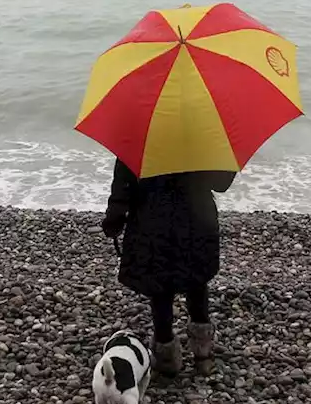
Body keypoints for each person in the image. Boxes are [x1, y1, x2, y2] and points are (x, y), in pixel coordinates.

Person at [100, 157, 235, 376]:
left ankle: (166, 358)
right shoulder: (204, 137)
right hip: (197, 219)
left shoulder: (142, 136)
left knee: (160, 287)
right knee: (197, 282)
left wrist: (114, 218)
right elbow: (221, 184)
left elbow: (123, 183)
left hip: (152, 219)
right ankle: (203, 355)